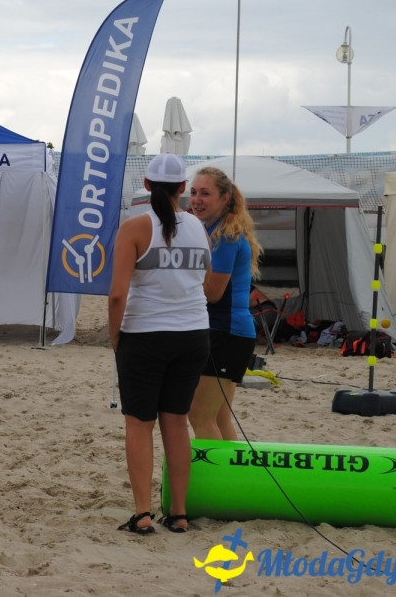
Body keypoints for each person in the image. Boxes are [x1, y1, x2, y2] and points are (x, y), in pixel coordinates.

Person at [107, 153, 211, 535]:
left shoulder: (135, 228)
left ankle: (142, 513)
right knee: (176, 423)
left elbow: (117, 294)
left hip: (146, 333)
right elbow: (204, 281)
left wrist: (115, 335)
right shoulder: (199, 227)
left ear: (147, 185)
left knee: (139, 424)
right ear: (183, 188)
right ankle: (179, 513)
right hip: (194, 334)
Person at [187, 166, 262, 441]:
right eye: (193, 192)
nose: (197, 199)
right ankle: (239, 482)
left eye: (205, 193)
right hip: (225, 332)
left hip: (227, 333)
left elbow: (213, 293)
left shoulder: (226, 235)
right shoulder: (209, 228)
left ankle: (214, 483)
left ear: (225, 197)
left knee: (199, 417)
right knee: (219, 419)